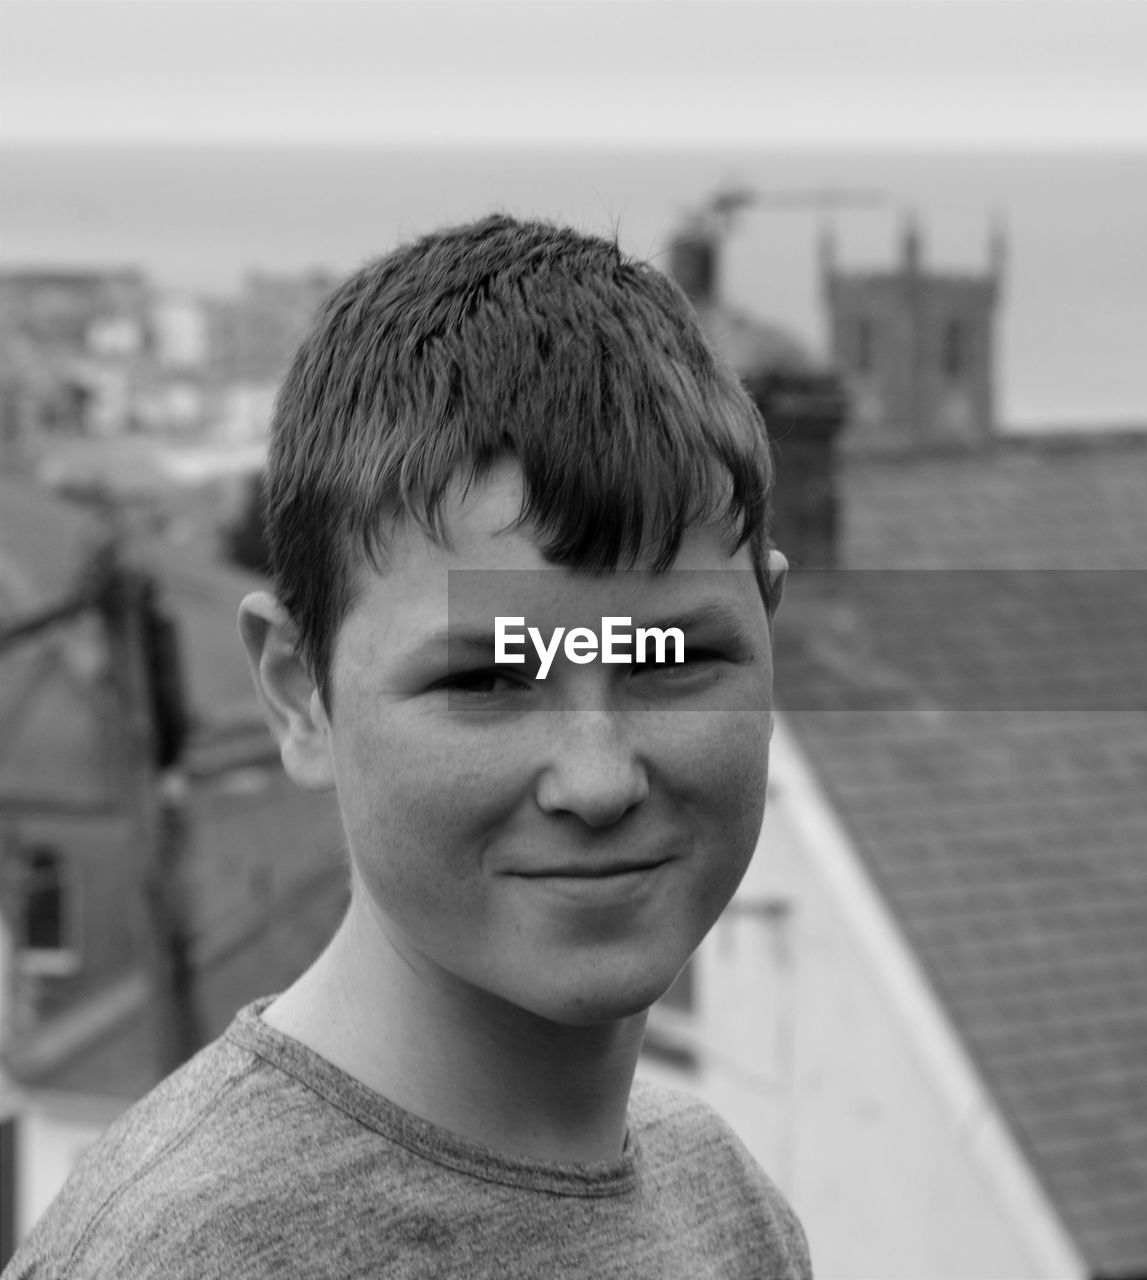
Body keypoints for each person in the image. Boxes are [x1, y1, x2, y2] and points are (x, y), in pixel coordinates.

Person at [5, 215, 809, 1278]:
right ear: (300, 694)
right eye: (483, 677)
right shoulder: (187, 1254)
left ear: (768, 627)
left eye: (672, 658)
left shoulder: (727, 1206)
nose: (598, 775)